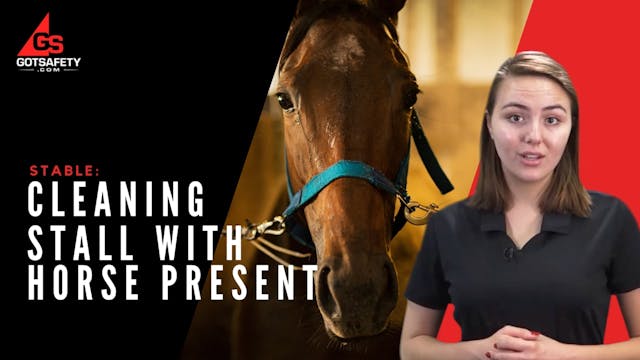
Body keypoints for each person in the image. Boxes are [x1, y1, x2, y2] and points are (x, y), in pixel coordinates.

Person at [400, 51, 640, 359]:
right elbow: (412, 347)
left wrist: (562, 355)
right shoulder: (446, 226)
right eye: (515, 117)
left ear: (572, 128)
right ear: (489, 124)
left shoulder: (613, 219)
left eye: (552, 119)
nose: (533, 136)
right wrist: (481, 351)